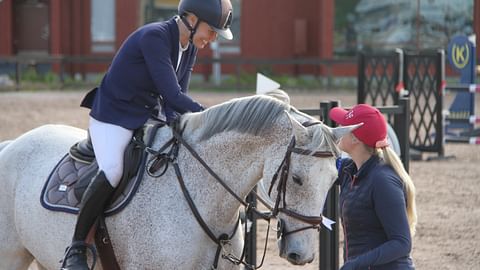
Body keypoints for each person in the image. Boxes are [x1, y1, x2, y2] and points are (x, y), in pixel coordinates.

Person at [60, 0, 233, 269]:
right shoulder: (156, 37)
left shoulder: (188, 47)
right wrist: (209, 117)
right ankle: (77, 247)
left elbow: (178, 100)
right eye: (211, 31)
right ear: (192, 18)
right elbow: (171, 93)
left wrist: (183, 128)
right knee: (114, 170)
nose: (212, 38)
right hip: (113, 117)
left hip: (147, 117)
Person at [329, 104, 417, 270]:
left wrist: (355, 264)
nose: (338, 128)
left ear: (355, 138)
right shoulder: (350, 169)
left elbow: (402, 243)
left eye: (343, 126)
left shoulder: (383, 181)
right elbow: (318, 164)